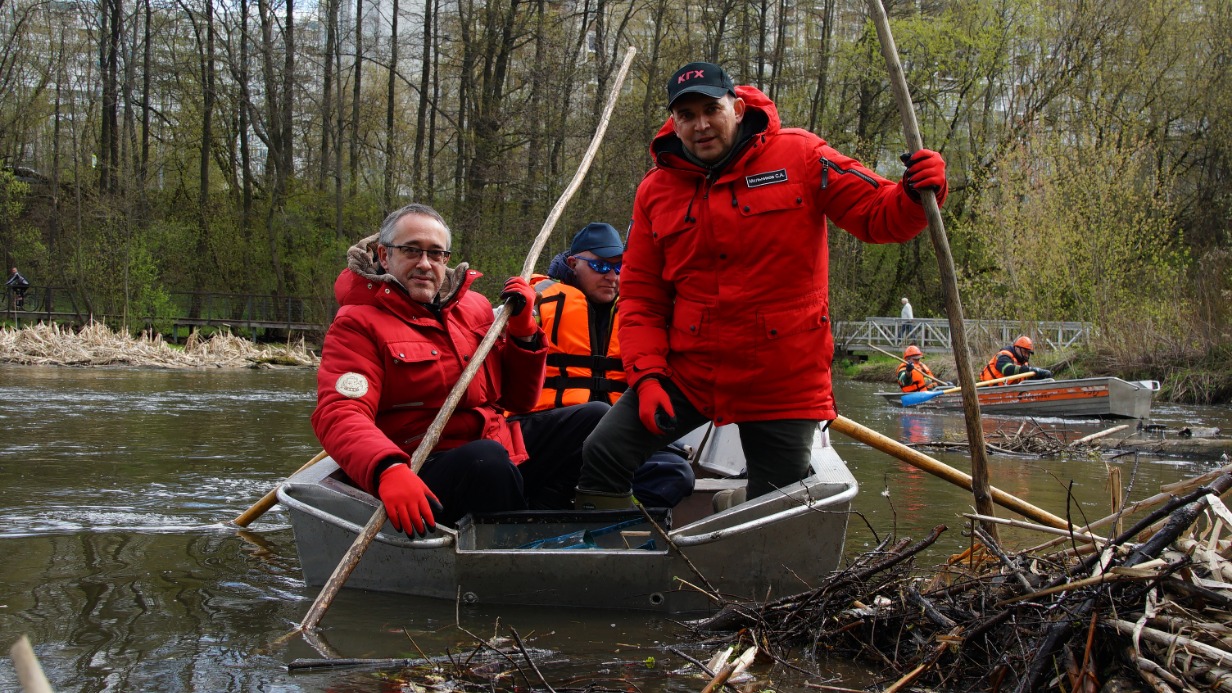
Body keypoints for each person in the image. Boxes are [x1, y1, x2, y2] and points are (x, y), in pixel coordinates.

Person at [575, 61, 948, 510]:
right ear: (674, 123)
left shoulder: (802, 156)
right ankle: (614, 561)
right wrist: (648, 375)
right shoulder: (656, 190)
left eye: (711, 109)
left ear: (736, 106)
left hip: (782, 374)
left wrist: (914, 193)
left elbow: (878, 214)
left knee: (774, 509)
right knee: (604, 451)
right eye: (687, 116)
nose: (701, 125)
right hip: (691, 371)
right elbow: (642, 299)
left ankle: (735, 507)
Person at [311, 203, 592, 537]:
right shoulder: (357, 323)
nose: (425, 264)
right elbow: (339, 412)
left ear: (446, 259)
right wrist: (387, 468)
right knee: (487, 462)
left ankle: (541, 518)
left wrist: (523, 334)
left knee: (595, 419)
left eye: (436, 253)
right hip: (423, 466)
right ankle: (509, 548)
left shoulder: (473, 308)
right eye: (411, 251)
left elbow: (520, 399)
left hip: (497, 445)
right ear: (384, 256)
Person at [516, 222, 694, 507]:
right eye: (601, 267)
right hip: (551, 434)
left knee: (676, 473)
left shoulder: (637, 316)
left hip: (607, 443)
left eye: (619, 268)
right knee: (596, 414)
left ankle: (600, 518)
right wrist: (519, 322)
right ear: (574, 263)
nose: (612, 276)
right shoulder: (536, 304)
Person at [979, 335, 1053, 383]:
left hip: (1009, 391)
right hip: (990, 389)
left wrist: (1040, 375)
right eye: (1025, 352)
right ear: (1017, 348)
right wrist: (1028, 370)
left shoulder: (1024, 363)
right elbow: (1007, 369)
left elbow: (1027, 378)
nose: (1026, 355)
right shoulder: (1003, 355)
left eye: (1028, 353)